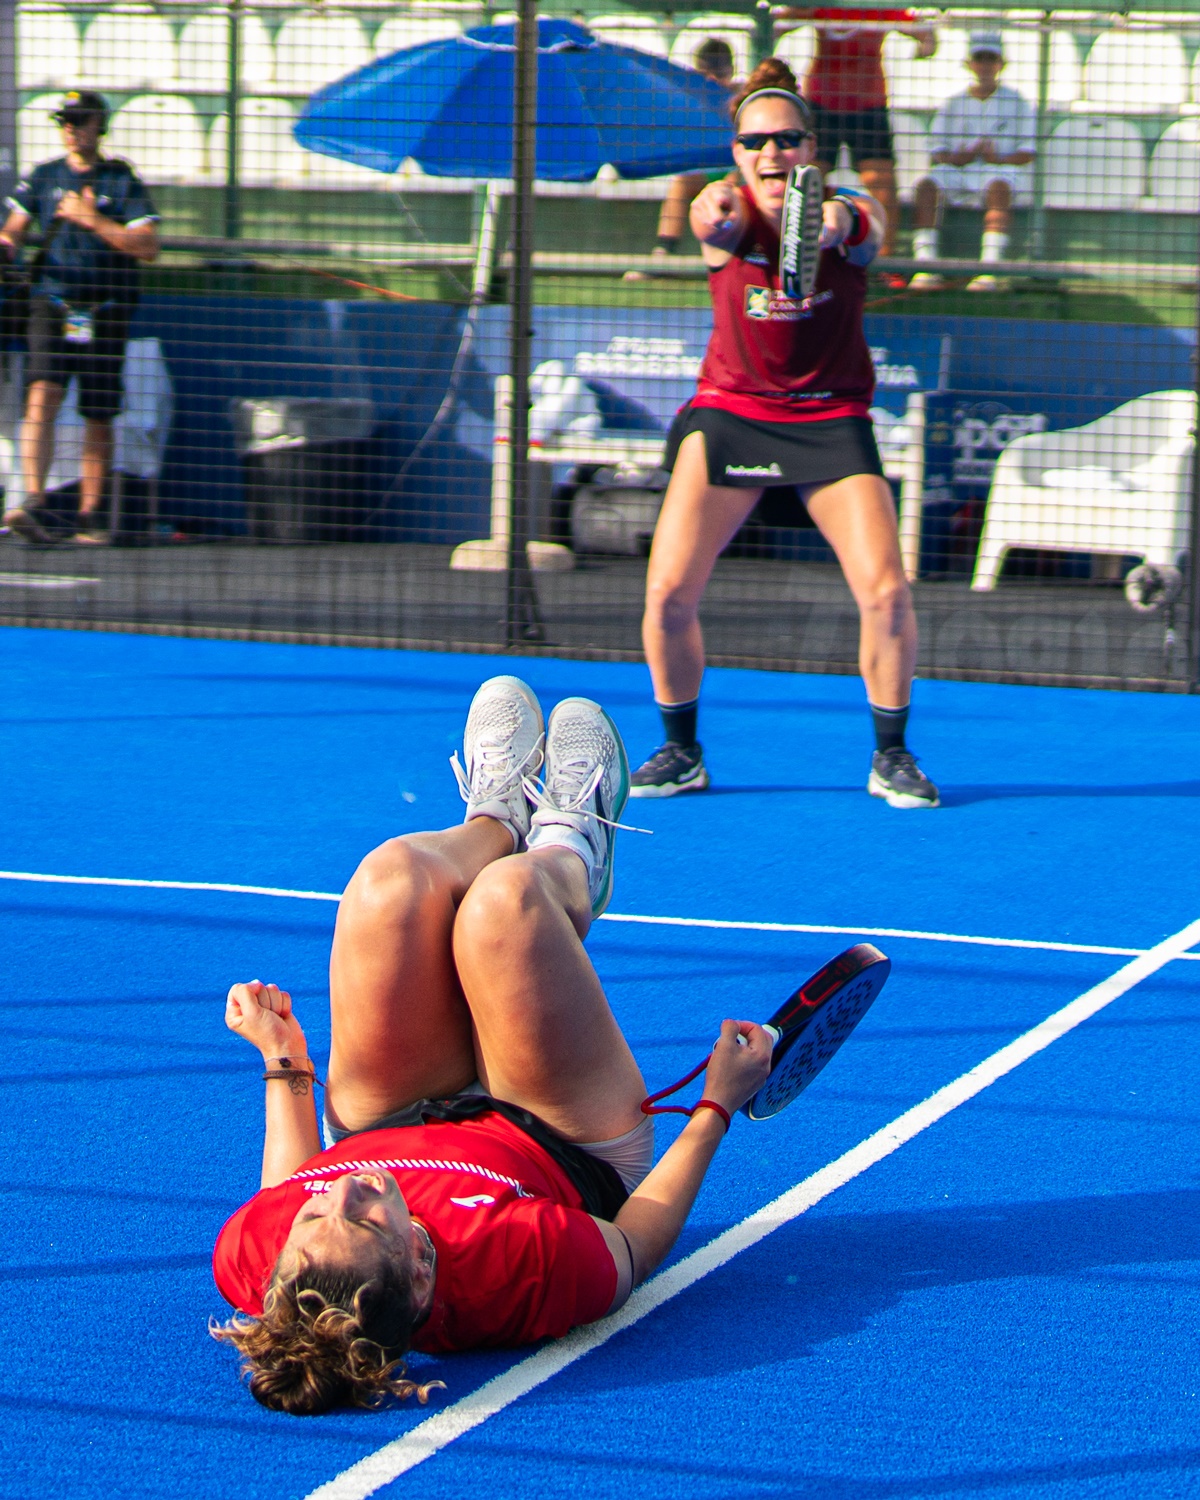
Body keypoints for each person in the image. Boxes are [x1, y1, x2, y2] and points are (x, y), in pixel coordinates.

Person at [211, 676, 778, 1414]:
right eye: (362, 1220)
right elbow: (635, 1246)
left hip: (383, 1118)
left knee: (388, 883)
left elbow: (280, 1193)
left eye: (314, 1221)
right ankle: (576, 844)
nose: (333, 1193)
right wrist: (716, 1106)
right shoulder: (516, 1270)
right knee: (501, 907)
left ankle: (497, 816)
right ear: (419, 1272)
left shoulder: (258, 1260)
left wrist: (283, 1062)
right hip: (556, 1136)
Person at [630, 59, 939, 810]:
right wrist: (719, 214)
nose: (772, 153)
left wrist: (826, 221)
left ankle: (891, 755)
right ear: (736, 152)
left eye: (788, 140)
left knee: (887, 592)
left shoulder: (851, 212)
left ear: (813, 150)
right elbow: (714, 219)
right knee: (668, 590)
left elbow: (862, 226)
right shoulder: (724, 212)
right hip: (731, 412)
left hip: (830, 416)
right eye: (756, 142)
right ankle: (681, 750)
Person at [0, 90, 159, 545]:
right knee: (42, 394)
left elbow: (147, 246)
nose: (72, 128)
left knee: (98, 411)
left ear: (99, 125)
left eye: (81, 120)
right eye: (65, 121)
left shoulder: (120, 180)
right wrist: (7, 246)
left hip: (104, 308)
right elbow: (15, 229)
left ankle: (90, 515)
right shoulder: (45, 176)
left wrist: (93, 220)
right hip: (52, 303)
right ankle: (34, 500)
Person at [774, 7, 936, 262]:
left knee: (881, 179)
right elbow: (780, 21)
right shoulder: (822, 4)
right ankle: (799, 252)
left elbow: (925, 36)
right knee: (809, 175)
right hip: (822, 102)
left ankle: (885, 260)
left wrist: (924, 43)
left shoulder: (878, 6)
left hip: (868, 104)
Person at [909, 33, 1036, 293]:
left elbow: (1027, 152)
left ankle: (989, 269)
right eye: (980, 58)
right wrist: (959, 158)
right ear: (970, 63)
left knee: (999, 189)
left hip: (999, 171)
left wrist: (997, 159)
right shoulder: (953, 103)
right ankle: (925, 265)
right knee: (926, 186)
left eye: (992, 58)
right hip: (957, 170)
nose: (986, 65)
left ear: (1001, 64)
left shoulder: (1018, 102)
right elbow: (937, 152)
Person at [640, 39, 736, 269]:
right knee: (681, 183)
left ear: (731, 72)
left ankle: (728, 260)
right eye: (706, 73)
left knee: (730, 187)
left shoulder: (739, 102)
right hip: (704, 173)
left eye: (719, 74)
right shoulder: (690, 101)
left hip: (735, 175)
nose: (712, 79)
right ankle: (663, 256)